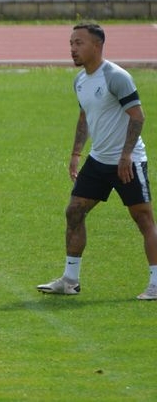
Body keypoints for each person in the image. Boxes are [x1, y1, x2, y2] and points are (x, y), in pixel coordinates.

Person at [37, 22, 157, 300]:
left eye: (79, 43)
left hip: (128, 161)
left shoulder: (116, 77)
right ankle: (70, 280)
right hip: (99, 160)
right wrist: (76, 154)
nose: (72, 49)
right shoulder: (80, 80)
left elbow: (137, 116)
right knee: (74, 212)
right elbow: (84, 118)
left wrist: (126, 155)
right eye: (71, 43)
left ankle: (155, 281)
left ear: (97, 45)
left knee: (143, 218)